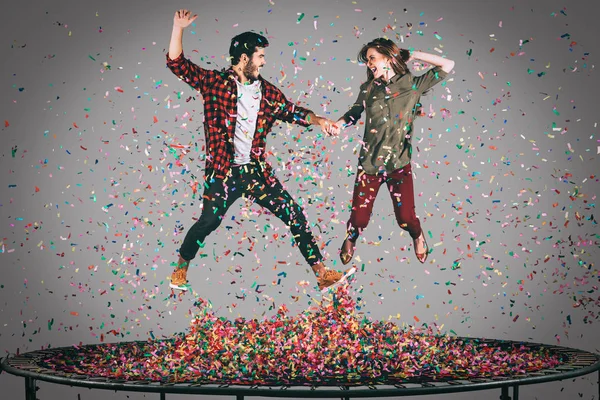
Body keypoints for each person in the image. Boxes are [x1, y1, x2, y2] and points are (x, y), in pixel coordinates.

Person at [165, 9, 355, 293]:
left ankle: (322, 274)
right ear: (244, 58)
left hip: (255, 172)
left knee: (294, 214)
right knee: (208, 221)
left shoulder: (266, 92)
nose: (264, 62)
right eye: (260, 56)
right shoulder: (214, 83)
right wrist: (178, 28)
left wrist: (320, 121)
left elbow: (293, 112)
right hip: (222, 173)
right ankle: (180, 270)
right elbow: (178, 64)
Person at [329, 38, 455, 266]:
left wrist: (413, 54)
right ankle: (351, 238)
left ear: (388, 58)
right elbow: (354, 113)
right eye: (367, 60)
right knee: (358, 218)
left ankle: (417, 235)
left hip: (398, 165)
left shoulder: (412, 85)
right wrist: (338, 125)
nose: (369, 64)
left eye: (372, 58)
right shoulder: (368, 90)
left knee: (406, 219)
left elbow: (448, 64)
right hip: (369, 165)